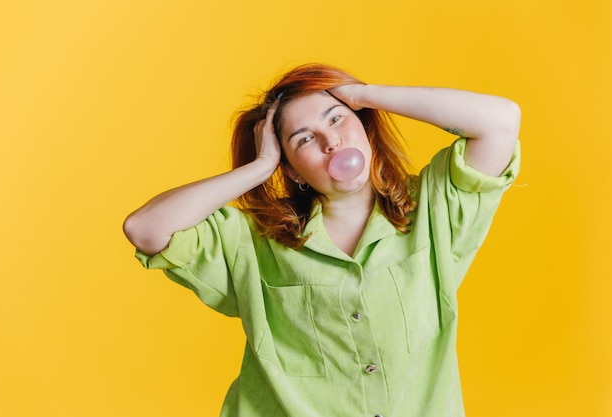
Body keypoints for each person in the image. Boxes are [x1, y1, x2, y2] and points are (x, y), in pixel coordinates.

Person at [123, 63, 521, 417]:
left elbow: (501, 121)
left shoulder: (433, 209)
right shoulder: (253, 241)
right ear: (292, 170)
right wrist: (261, 166)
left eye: (336, 120)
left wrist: (362, 94)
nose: (332, 142)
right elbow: (145, 228)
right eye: (304, 139)